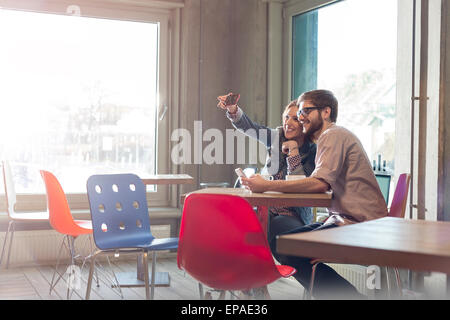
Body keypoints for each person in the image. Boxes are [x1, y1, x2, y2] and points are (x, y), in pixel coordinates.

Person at [241, 89, 388, 299]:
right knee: (285, 244)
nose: (301, 118)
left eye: (306, 111)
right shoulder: (330, 137)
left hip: (360, 224)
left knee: (287, 246)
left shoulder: (333, 135)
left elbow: (319, 184)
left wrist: (266, 186)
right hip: (347, 220)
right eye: (298, 113)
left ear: (326, 112)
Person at [217, 94, 316, 229]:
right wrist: (233, 109)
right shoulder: (276, 136)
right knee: (235, 220)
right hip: (266, 207)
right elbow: (250, 128)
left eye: (295, 119)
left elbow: (298, 185)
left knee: (275, 226)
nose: (288, 123)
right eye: (286, 117)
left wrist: (293, 151)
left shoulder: (312, 150)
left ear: (303, 123)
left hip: (293, 213)